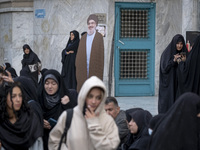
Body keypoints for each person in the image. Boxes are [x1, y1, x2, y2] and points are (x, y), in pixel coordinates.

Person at [48, 76, 120, 150]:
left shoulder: (107, 120)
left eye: (98, 97)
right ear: (84, 96)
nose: (93, 101)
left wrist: (94, 126)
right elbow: (54, 141)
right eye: (90, 96)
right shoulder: (69, 116)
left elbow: (111, 146)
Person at [37, 69, 77, 150]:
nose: (50, 87)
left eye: (53, 83)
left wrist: (68, 105)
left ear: (59, 84)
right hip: (44, 142)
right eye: (47, 83)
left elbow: (76, 120)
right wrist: (40, 122)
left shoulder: (68, 98)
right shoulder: (39, 99)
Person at [0, 82, 43, 150]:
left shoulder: (31, 120)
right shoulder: (2, 123)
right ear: (4, 98)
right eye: (13, 96)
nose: (18, 99)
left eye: (20, 95)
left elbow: (38, 145)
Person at [158, 34, 188, 114]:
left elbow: (185, 69)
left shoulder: (183, 54)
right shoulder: (167, 54)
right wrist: (173, 61)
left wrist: (184, 61)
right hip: (169, 84)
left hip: (178, 84)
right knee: (167, 103)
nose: (179, 46)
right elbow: (164, 69)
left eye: (181, 44)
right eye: (177, 43)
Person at [76, 14, 104, 92]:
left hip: (95, 66)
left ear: (96, 24)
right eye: (89, 23)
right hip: (83, 67)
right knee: (83, 87)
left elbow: (101, 55)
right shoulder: (83, 37)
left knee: (93, 88)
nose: (90, 25)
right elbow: (79, 53)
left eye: (92, 23)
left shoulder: (99, 37)